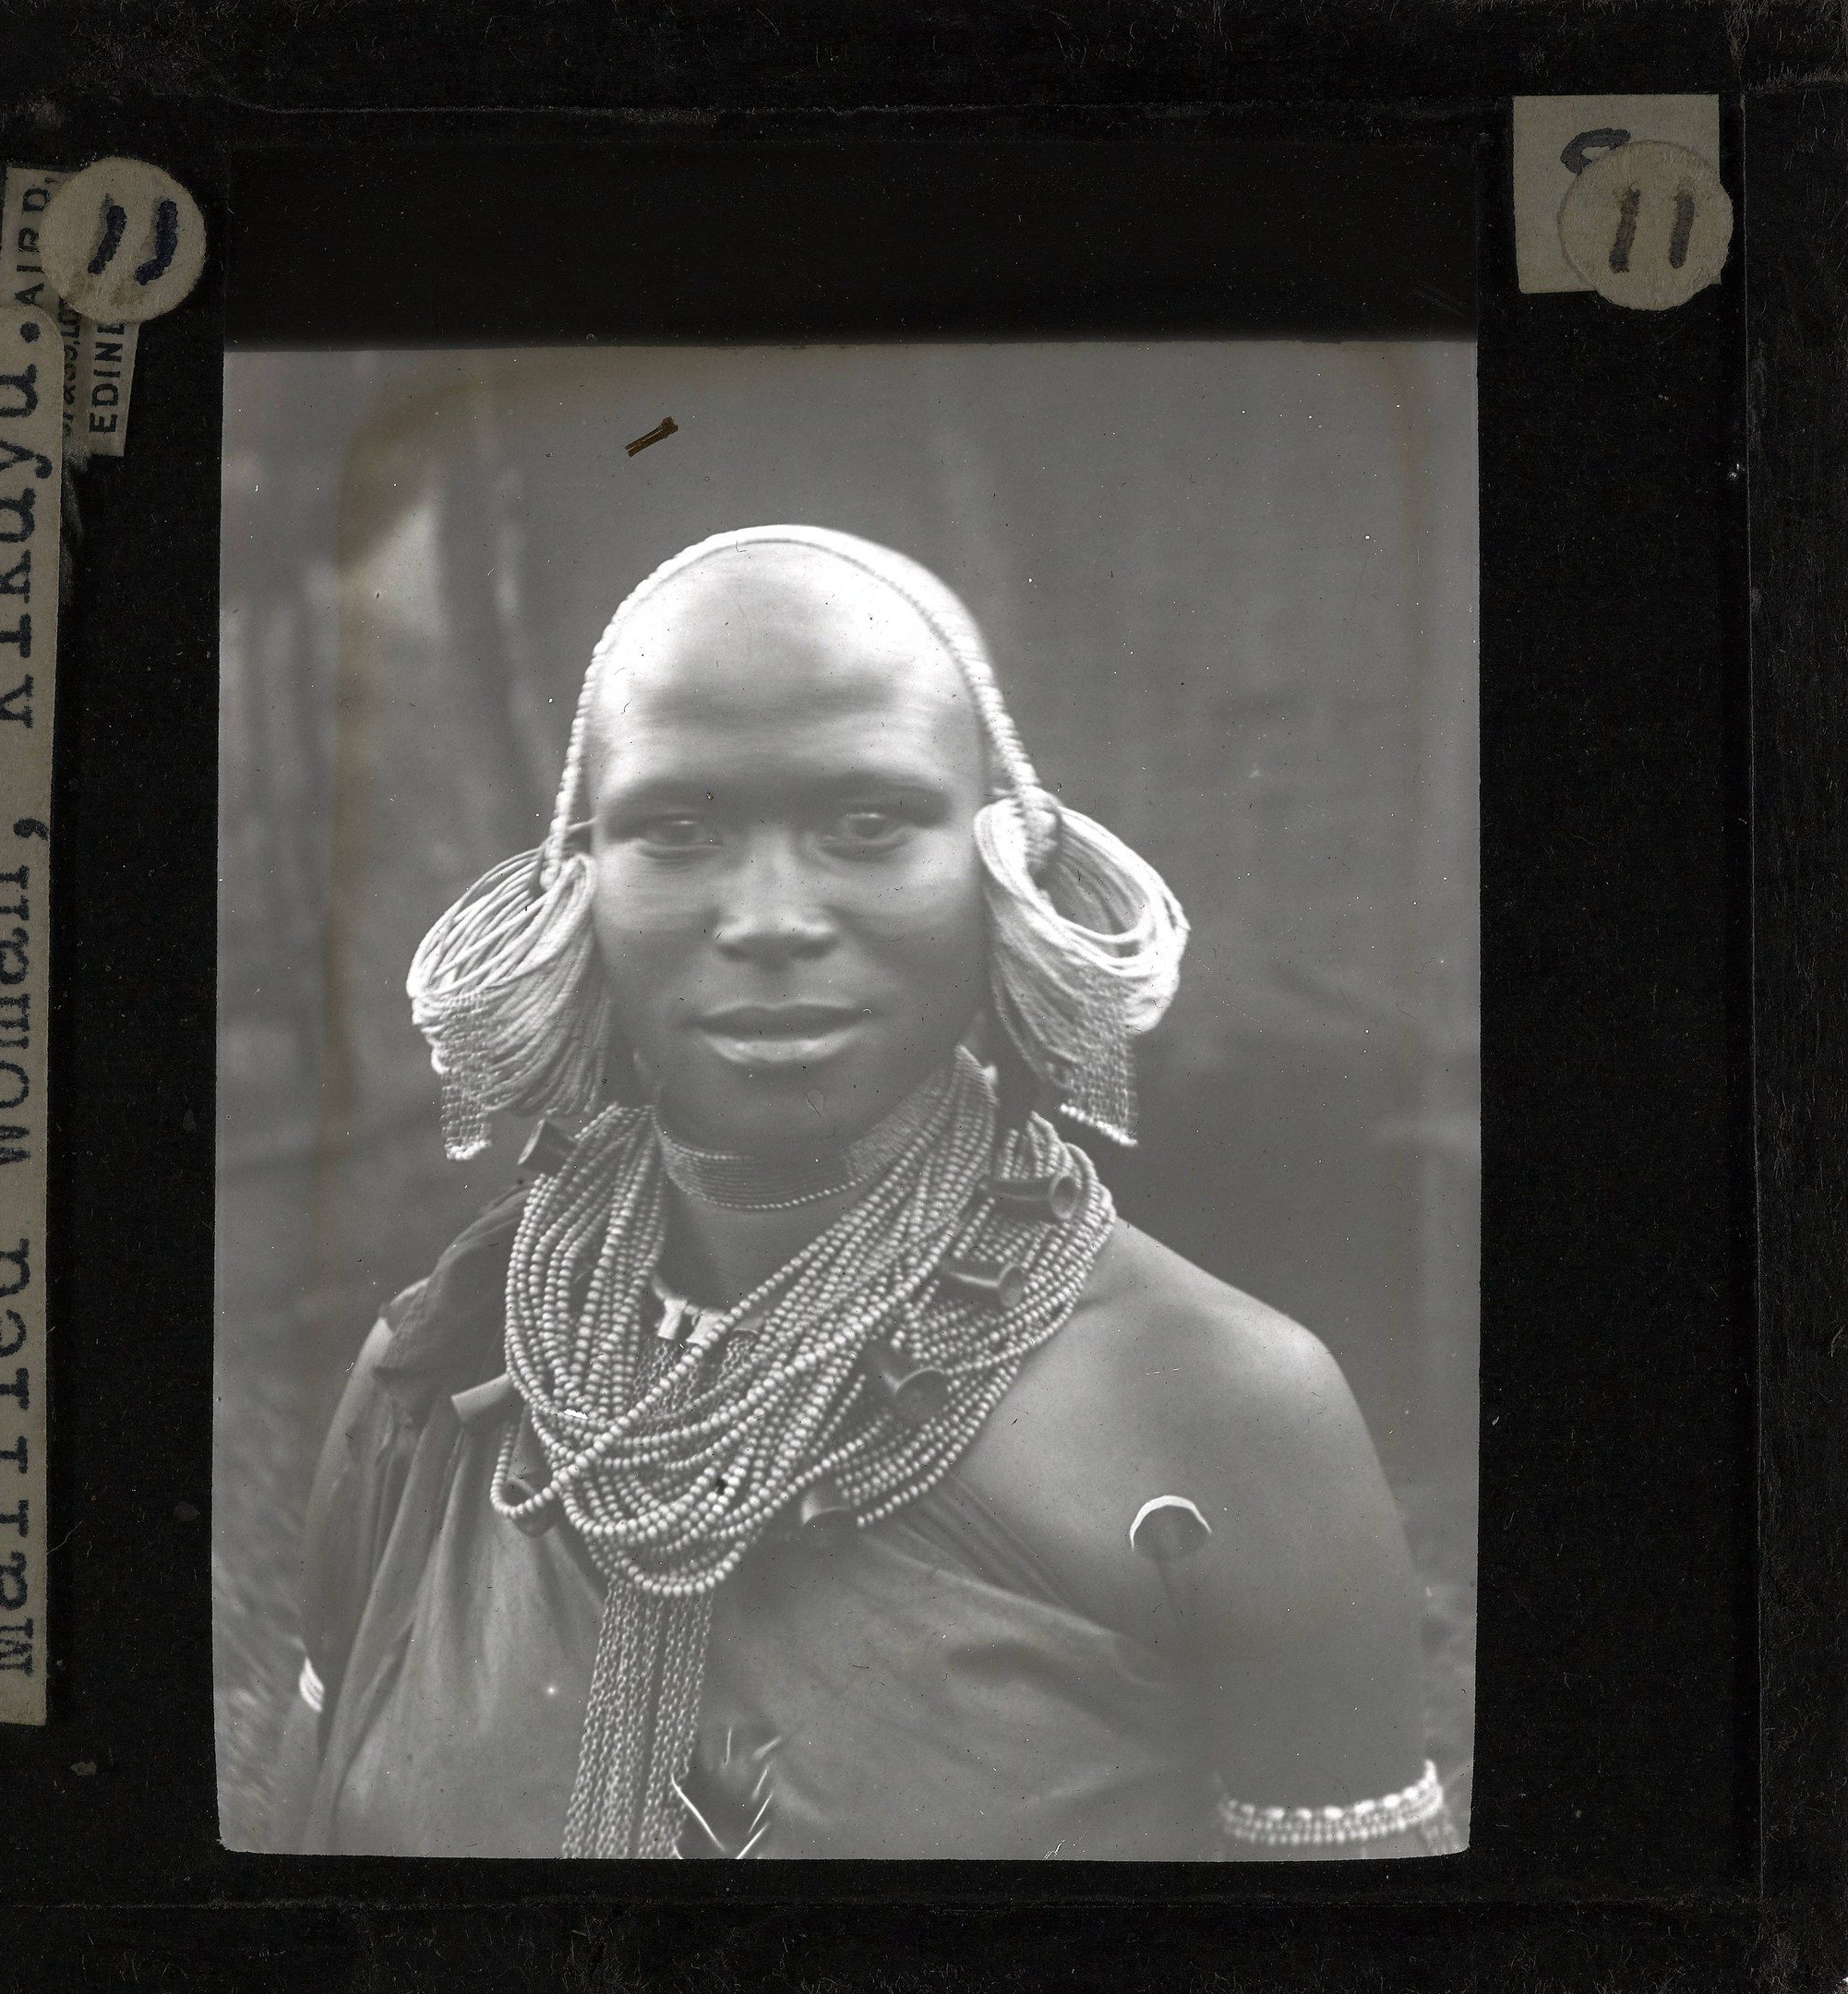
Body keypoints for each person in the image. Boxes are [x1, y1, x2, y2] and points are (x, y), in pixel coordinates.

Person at [270, 524, 1458, 1860]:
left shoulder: (1226, 1416)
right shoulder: (434, 1383)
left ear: (1008, 859)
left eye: (865, 821)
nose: (770, 915)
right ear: (571, 887)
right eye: (675, 827)